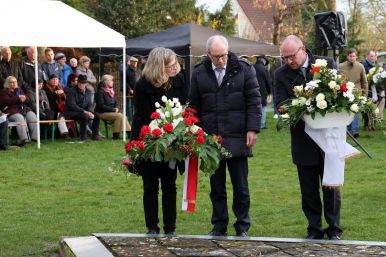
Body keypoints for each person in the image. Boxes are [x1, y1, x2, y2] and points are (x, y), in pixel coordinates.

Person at [189, 35, 261, 237]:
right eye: (216, 56)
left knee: (241, 187)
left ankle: (242, 226)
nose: (221, 60)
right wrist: (195, 131)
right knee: (216, 187)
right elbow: (193, 104)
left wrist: (252, 128)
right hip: (211, 139)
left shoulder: (245, 69)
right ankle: (219, 226)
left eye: (224, 55)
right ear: (209, 54)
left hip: (238, 136)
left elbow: (254, 101)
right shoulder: (199, 73)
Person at [274, 35, 342, 240]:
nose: (288, 61)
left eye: (291, 56)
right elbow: (280, 103)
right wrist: (299, 111)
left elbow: (339, 92)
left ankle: (334, 229)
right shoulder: (280, 74)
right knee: (308, 188)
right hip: (303, 138)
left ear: (302, 49)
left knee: (331, 185)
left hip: (329, 138)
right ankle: (314, 228)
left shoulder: (326, 64)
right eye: (284, 58)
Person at [131, 47, 188, 235]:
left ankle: (170, 229)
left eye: (175, 63)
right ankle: (152, 228)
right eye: (171, 65)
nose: (176, 67)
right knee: (150, 186)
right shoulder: (142, 85)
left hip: (172, 142)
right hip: (150, 141)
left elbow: (184, 108)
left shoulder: (178, 80)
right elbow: (140, 117)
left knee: (170, 185)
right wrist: (134, 146)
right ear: (160, 66)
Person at [339, 48, 368, 137]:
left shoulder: (360, 66)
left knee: (355, 110)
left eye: (354, 56)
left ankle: (354, 130)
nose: (352, 58)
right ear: (347, 56)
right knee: (346, 111)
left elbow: (364, 81)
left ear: (356, 57)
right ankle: (347, 130)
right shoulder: (341, 66)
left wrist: (365, 94)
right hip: (344, 91)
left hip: (357, 92)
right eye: (350, 56)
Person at [64, 74, 103, 141]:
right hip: (72, 112)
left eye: (83, 83)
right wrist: (85, 111)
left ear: (86, 83)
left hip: (84, 112)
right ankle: (83, 136)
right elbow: (72, 105)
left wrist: (90, 112)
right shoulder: (71, 91)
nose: (81, 84)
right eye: (80, 82)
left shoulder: (88, 91)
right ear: (77, 82)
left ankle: (95, 135)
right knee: (84, 116)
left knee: (97, 115)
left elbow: (90, 104)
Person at [0, 76, 38, 144]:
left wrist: (25, 98)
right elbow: (7, 101)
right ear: (7, 83)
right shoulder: (4, 91)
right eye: (12, 82)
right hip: (11, 111)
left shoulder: (19, 90)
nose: (14, 84)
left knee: (32, 116)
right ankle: (24, 139)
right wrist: (18, 98)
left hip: (23, 109)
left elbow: (27, 100)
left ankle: (35, 137)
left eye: (15, 82)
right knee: (19, 118)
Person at [95, 74, 131, 140]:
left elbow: (115, 103)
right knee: (119, 116)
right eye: (111, 80)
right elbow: (101, 106)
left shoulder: (111, 91)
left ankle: (129, 134)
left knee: (123, 116)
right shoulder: (100, 92)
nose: (113, 82)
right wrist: (113, 109)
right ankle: (116, 136)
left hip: (111, 112)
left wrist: (116, 108)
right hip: (101, 113)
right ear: (106, 82)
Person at [43, 74, 69, 138]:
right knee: (60, 114)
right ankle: (64, 133)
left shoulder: (60, 87)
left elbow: (66, 98)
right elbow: (50, 99)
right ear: (49, 81)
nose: (55, 81)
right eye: (53, 79)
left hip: (61, 109)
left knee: (67, 113)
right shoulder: (46, 88)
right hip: (51, 110)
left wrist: (63, 94)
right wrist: (56, 93)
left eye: (57, 79)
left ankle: (68, 132)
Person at [253, 55, 272, 129]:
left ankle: (254, 123)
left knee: (253, 108)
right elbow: (268, 81)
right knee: (263, 108)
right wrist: (269, 91)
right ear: (264, 61)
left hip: (252, 90)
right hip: (262, 91)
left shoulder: (252, 67)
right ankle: (262, 124)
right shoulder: (264, 69)